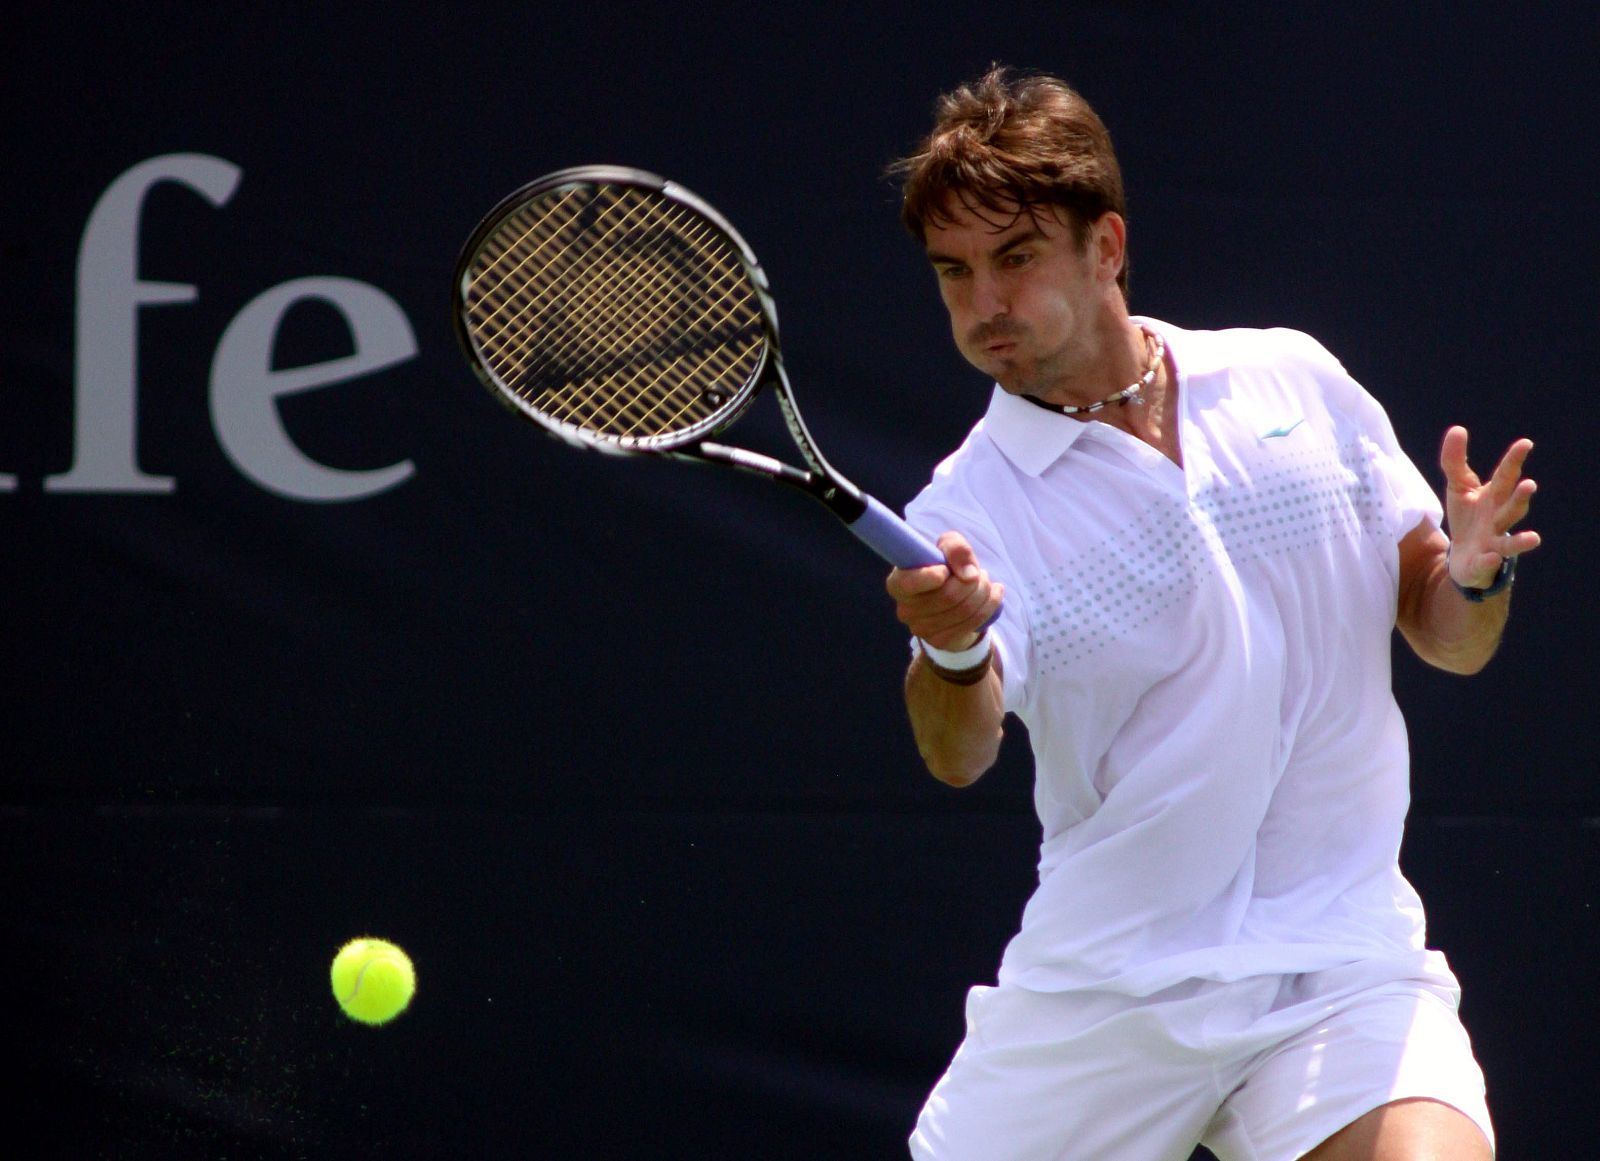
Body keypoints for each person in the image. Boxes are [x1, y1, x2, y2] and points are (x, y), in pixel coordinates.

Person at [885, 66, 1539, 1161]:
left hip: (1336, 960)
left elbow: (1445, 635)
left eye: (1015, 258)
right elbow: (959, 755)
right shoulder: (967, 508)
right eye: (953, 272)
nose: (983, 304)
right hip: (1111, 993)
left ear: (1108, 246)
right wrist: (952, 652)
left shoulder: (1292, 380)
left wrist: (1471, 576)